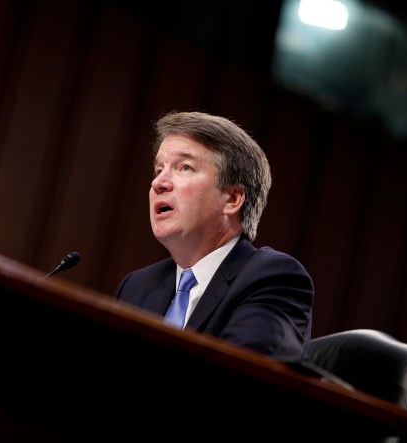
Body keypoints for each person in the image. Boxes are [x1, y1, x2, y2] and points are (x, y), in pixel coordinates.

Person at [114, 110, 314, 360]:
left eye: (184, 167)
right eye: (158, 170)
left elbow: (238, 374)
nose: (158, 183)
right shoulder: (137, 287)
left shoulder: (273, 279)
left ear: (232, 198)